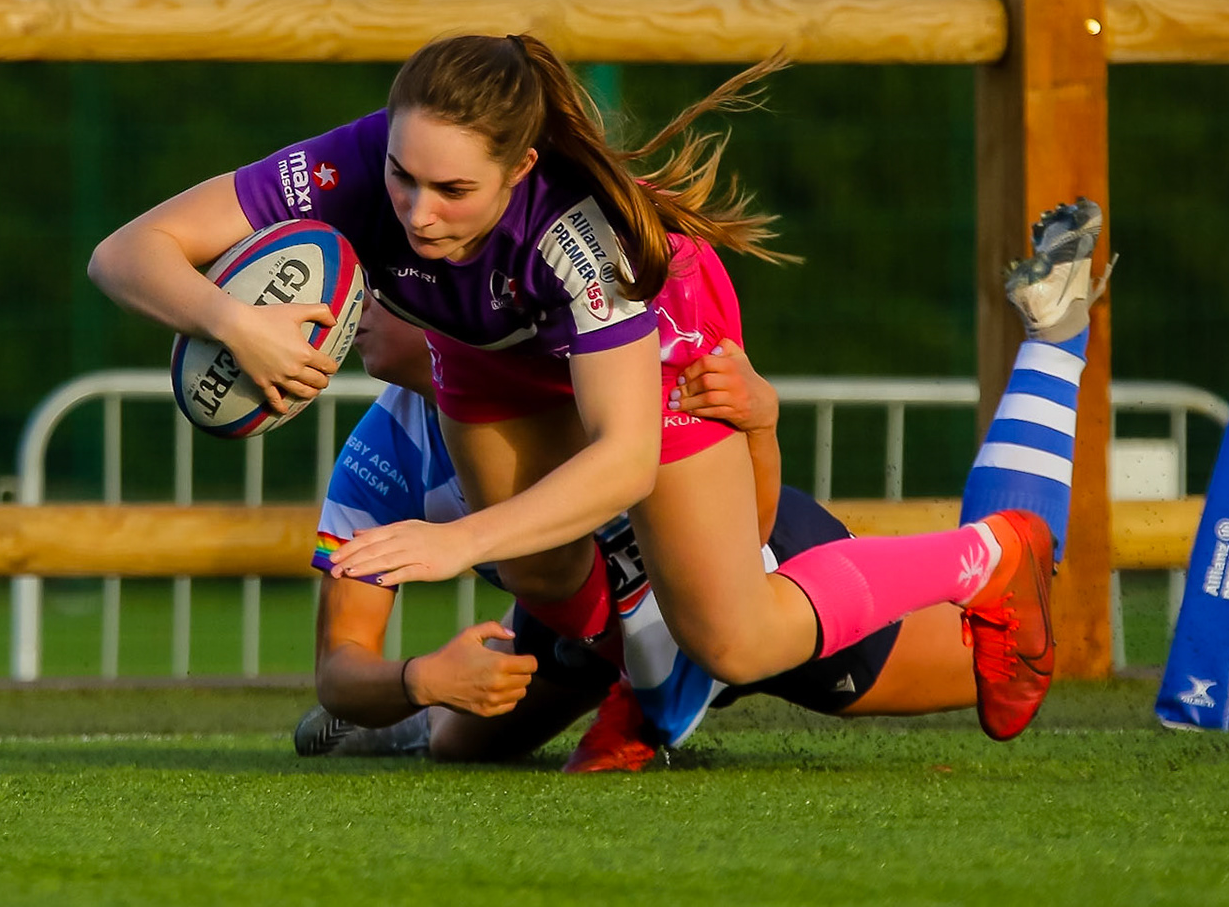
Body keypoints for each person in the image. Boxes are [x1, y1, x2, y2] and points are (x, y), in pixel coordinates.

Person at [89, 34, 1104, 743]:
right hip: (493, 341)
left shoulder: (583, 242)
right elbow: (124, 252)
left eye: (452, 191)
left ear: (521, 166)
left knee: (737, 631)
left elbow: (624, 452)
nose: (414, 211)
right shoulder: (353, 170)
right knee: (535, 574)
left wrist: (454, 544)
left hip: (655, 347)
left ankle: (993, 548)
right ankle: (645, 674)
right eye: (402, 176)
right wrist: (232, 320)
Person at [295, 208, 1108, 768]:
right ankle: (429, 726)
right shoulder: (383, 454)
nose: (357, 304)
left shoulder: (591, 377)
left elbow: (750, 529)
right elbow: (339, 666)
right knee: (460, 740)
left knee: (993, 642)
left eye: (386, 284)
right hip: (592, 625)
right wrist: (417, 682)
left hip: (750, 575)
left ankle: (1057, 335)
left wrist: (759, 424)